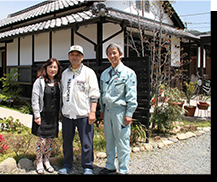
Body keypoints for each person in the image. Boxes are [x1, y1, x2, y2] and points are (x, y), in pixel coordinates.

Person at [58, 45, 100, 175]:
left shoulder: (88, 73)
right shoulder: (65, 74)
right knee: (67, 142)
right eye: (72, 54)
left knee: (87, 143)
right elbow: (62, 93)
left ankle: (87, 166)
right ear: (69, 56)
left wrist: (92, 112)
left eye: (77, 55)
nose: (74, 57)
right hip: (67, 114)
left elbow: (94, 93)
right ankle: (67, 164)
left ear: (82, 57)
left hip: (84, 114)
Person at [99, 43, 138, 175]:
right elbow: (102, 94)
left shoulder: (128, 73)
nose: (112, 56)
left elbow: (131, 96)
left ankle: (123, 170)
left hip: (120, 113)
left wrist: (129, 113)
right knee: (109, 141)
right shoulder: (105, 74)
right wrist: (102, 110)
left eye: (114, 53)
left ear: (120, 54)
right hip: (108, 112)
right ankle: (110, 166)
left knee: (122, 142)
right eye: (109, 53)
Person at [31, 58, 62, 174]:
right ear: (46, 68)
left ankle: (47, 160)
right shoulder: (39, 81)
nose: (53, 69)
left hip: (53, 117)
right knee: (41, 140)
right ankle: (39, 161)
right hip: (42, 116)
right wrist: (36, 115)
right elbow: (34, 99)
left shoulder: (59, 82)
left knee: (50, 141)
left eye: (55, 67)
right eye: (50, 67)